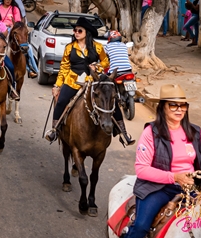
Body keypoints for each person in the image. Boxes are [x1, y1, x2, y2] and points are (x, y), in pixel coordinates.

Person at [122, 84, 201, 238]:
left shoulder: (194, 131)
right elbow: (142, 169)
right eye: (173, 105)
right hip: (158, 188)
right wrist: (175, 177)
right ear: (162, 106)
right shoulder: (151, 133)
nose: (179, 109)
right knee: (141, 226)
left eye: (183, 105)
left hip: (192, 188)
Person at [44, 17, 134, 145]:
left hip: (93, 81)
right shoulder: (69, 47)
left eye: (79, 31)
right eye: (75, 30)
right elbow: (64, 68)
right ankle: (54, 130)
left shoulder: (97, 47)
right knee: (62, 101)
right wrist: (57, 85)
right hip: (72, 81)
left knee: (110, 101)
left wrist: (96, 67)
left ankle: (123, 133)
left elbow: (105, 62)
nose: (76, 33)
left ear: (87, 32)